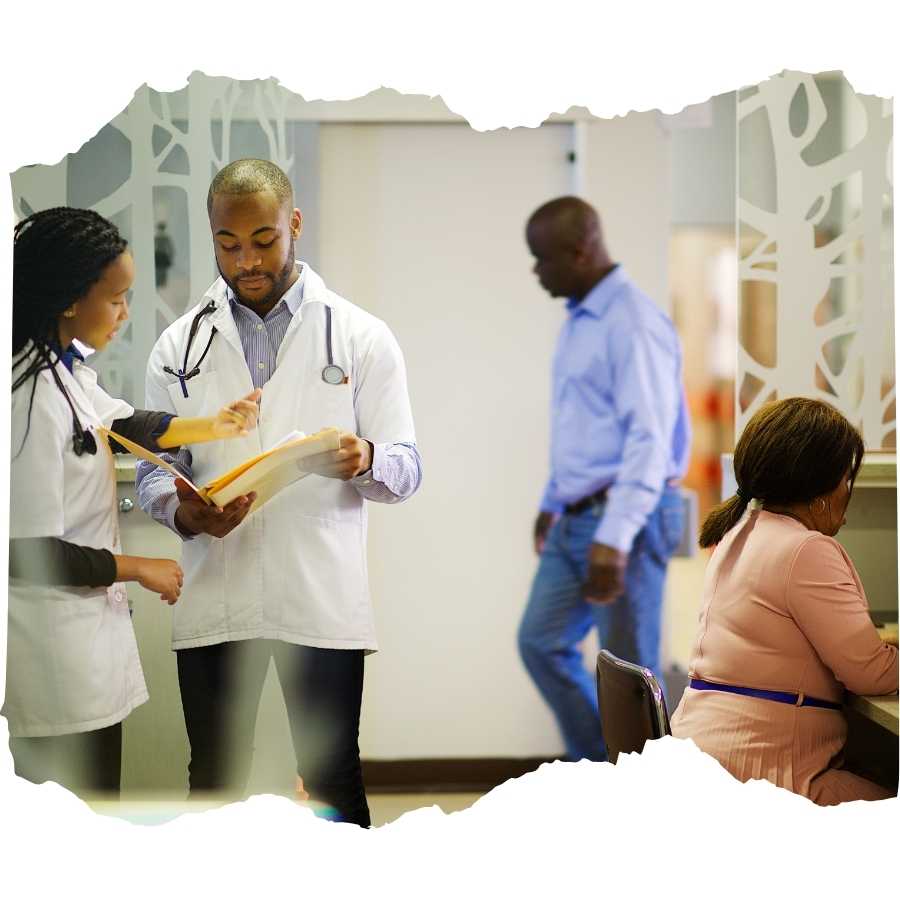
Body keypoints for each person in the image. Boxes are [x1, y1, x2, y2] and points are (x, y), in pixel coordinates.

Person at [136, 158, 421, 827]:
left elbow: (407, 468)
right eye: (229, 245)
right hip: (218, 589)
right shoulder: (177, 347)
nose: (247, 261)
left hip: (318, 596)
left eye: (263, 240)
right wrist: (183, 509)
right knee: (213, 784)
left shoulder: (360, 336)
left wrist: (364, 458)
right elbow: (154, 469)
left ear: (294, 224)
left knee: (332, 782)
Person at [6, 207, 261, 798]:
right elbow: (23, 552)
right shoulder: (26, 396)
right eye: (116, 298)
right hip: (49, 659)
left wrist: (215, 427)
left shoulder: (61, 370)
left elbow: (123, 421)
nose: (125, 313)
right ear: (71, 299)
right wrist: (138, 568)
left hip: (79, 655)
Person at [517, 196, 690, 763]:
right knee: (541, 642)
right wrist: (552, 499)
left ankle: (637, 803)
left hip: (626, 518)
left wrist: (614, 537)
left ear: (580, 249)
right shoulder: (580, 320)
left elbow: (649, 439)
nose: (536, 271)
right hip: (576, 513)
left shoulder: (633, 324)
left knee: (631, 680)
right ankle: (603, 771)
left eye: (542, 259)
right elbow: (580, 426)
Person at [670, 397, 898, 805]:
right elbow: (871, 676)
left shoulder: (739, 534)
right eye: (847, 479)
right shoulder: (806, 550)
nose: (850, 494)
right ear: (821, 489)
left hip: (706, 759)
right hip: (769, 775)